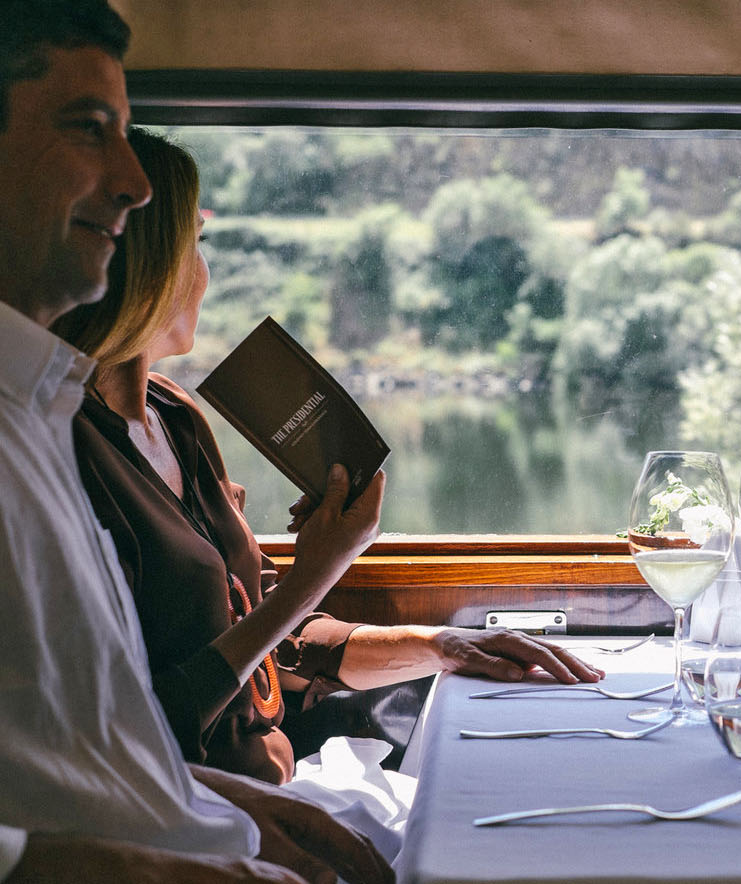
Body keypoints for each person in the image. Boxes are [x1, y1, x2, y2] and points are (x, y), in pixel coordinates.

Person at [50, 126, 605, 834]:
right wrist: (316, 574)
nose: (205, 272)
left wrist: (440, 646)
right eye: (195, 244)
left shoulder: (176, 417)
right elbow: (141, 725)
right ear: (150, 263)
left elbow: (268, 634)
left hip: (282, 780)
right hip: (199, 816)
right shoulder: (66, 450)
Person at [0, 0, 392, 881]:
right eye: (87, 128)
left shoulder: (72, 412)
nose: (132, 184)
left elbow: (106, 739)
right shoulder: (66, 435)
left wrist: (236, 808)